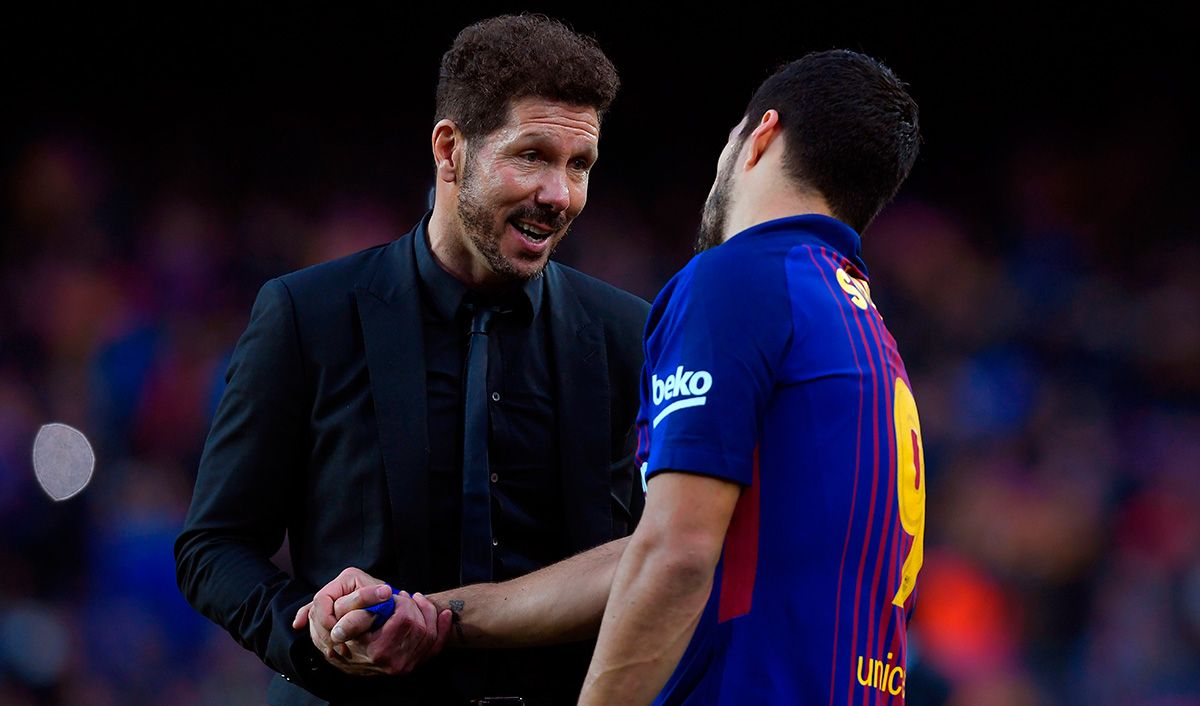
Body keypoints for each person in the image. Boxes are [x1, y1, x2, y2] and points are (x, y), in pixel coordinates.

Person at [309, 48, 924, 705]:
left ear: (759, 136)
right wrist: (440, 616)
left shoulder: (737, 280)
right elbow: (667, 547)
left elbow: (675, 557)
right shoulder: (866, 334)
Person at [173, 14, 649, 706]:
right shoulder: (308, 316)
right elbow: (211, 547)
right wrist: (310, 635)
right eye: (532, 156)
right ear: (450, 150)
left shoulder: (626, 334)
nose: (560, 194)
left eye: (579, 165)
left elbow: (651, 558)